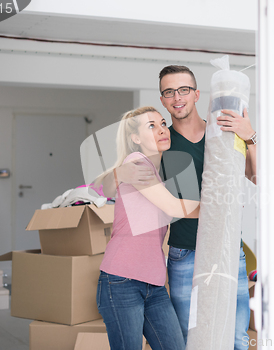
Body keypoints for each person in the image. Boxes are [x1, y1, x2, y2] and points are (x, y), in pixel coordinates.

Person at [113, 66, 257, 350]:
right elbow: (126, 169)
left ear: (196, 94)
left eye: (183, 90)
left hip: (228, 249)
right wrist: (119, 175)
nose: (177, 97)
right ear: (163, 99)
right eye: (169, 92)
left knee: (237, 338)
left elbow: (257, 177)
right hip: (184, 254)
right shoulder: (161, 143)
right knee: (189, 339)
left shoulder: (225, 132)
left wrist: (250, 136)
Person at [94, 106, 200, 350]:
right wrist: (219, 206)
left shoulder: (158, 174)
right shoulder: (136, 163)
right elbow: (174, 208)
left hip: (154, 284)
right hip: (122, 281)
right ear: (136, 139)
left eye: (163, 123)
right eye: (151, 126)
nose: (162, 129)